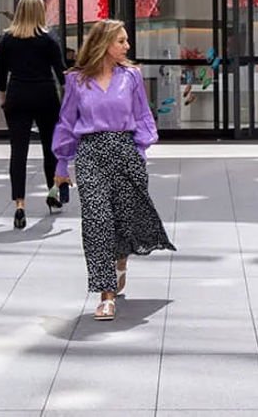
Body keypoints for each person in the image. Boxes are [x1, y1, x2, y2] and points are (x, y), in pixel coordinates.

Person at [52, 20, 176, 321]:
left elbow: (143, 115)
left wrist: (140, 151)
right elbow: (67, 122)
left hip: (125, 152)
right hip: (91, 153)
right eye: (121, 41)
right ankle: (105, 294)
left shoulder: (131, 76)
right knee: (97, 220)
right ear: (104, 43)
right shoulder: (76, 80)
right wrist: (61, 162)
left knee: (122, 219)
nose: (127, 46)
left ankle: (120, 261)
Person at [0, 0, 67, 229]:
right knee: (50, 148)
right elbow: (61, 73)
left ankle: (20, 206)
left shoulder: (7, 39)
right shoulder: (48, 39)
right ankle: (53, 191)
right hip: (45, 96)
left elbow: (0, 74)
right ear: (40, 12)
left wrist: (4, 98)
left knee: (18, 152)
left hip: (17, 95)